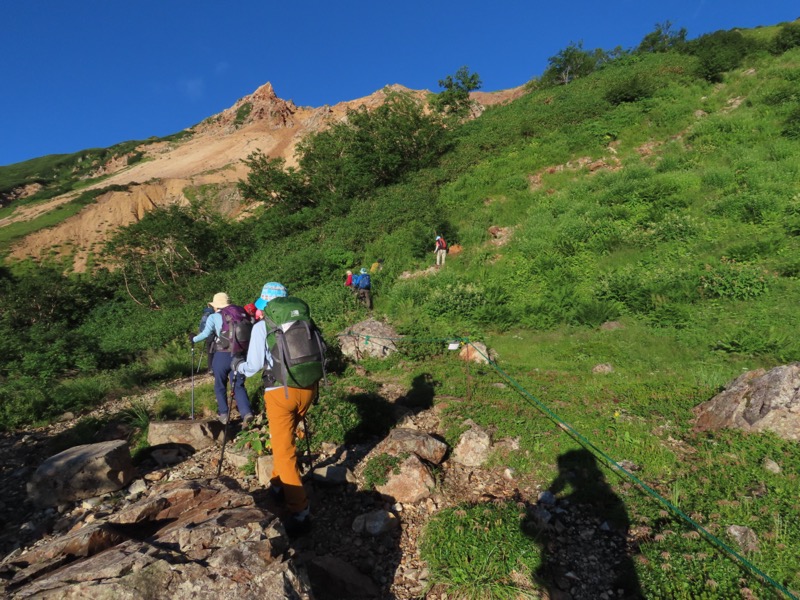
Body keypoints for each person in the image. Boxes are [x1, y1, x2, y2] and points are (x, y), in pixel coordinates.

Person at [232, 282, 317, 535]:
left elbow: (255, 365)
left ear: (265, 304)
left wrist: (238, 367)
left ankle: (300, 512)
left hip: (281, 393)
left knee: (284, 451)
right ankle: (278, 485)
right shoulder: (303, 322)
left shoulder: (262, 327)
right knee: (286, 440)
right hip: (308, 389)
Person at [191, 292, 254, 425]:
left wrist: (193, 339)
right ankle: (246, 412)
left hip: (222, 354)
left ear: (215, 306)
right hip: (239, 354)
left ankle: (224, 415)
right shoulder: (238, 313)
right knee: (238, 384)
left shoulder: (214, 316)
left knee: (220, 384)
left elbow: (205, 334)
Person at [198, 306, 215, 375]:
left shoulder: (204, 315)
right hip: (212, 335)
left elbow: (201, 327)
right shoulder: (212, 315)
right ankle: (212, 368)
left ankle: (210, 368)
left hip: (206, 335)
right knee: (214, 352)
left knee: (209, 352)